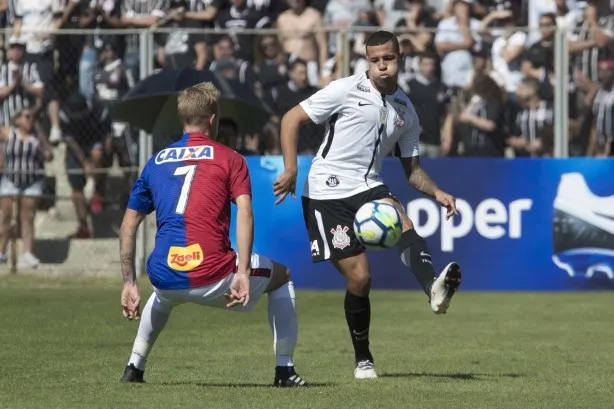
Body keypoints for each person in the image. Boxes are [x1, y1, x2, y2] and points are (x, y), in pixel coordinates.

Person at [273, 30, 462, 380]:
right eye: (374, 60)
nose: (381, 67)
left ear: (400, 58)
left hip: (368, 185)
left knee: (404, 221)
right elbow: (291, 119)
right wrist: (290, 168)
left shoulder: (406, 109)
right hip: (327, 191)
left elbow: (413, 171)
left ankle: (433, 290)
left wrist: (436, 192)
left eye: (387, 59)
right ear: (367, 61)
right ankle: (363, 359)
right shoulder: (345, 89)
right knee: (361, 279)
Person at [118, 82, 306, 387]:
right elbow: (245, 212)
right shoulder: (230, 158)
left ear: (182, 119)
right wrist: (242, 271)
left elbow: (128, 225)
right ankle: (285, 370)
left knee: (164, 295)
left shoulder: (155, 163)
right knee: (283, 275)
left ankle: (134, 367)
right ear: (213, 117)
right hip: (213, 274)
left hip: (164, 274)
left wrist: (128, 282)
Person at [0, 108, 53, 268]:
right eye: (27, 116)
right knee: (6, 217)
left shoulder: (36, 138)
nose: (31, 119)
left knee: (27, 217)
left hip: (31, 182)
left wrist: (42, 137)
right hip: (10, 179)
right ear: (17, 120)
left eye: (33, 117)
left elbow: (49, 156)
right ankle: (1, 251)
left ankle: (27, 253)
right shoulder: (9, 133)